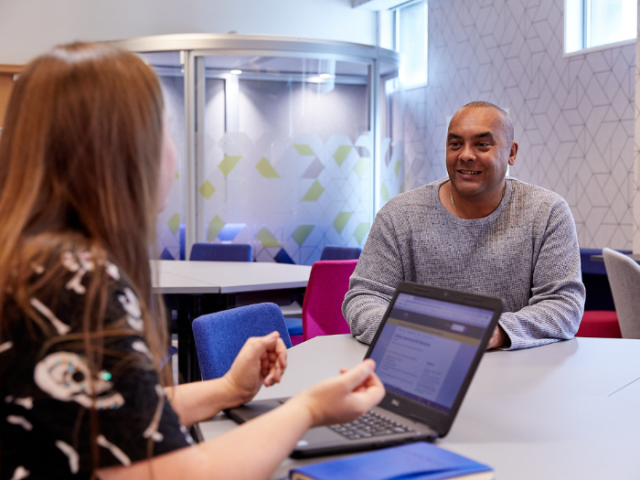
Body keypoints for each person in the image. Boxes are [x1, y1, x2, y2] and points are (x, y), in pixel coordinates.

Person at [0, 42, 385, 480]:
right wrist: (310, 408)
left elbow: (109, 413)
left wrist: (225, 390)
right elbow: (183, 473)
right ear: (123, 153)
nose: (174, 155)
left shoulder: (33, 263)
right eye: (164, 132)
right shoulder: (76, 283)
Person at [343, 101, 585, 350]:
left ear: (512, 152)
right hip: (422, 366)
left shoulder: (547, 212)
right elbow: (365, 297)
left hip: (519, 372)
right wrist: (417, 333)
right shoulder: (399, 214)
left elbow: (563, 304)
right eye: (455, 144)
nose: (466, 154)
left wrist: (496, 331)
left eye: (482, 144)